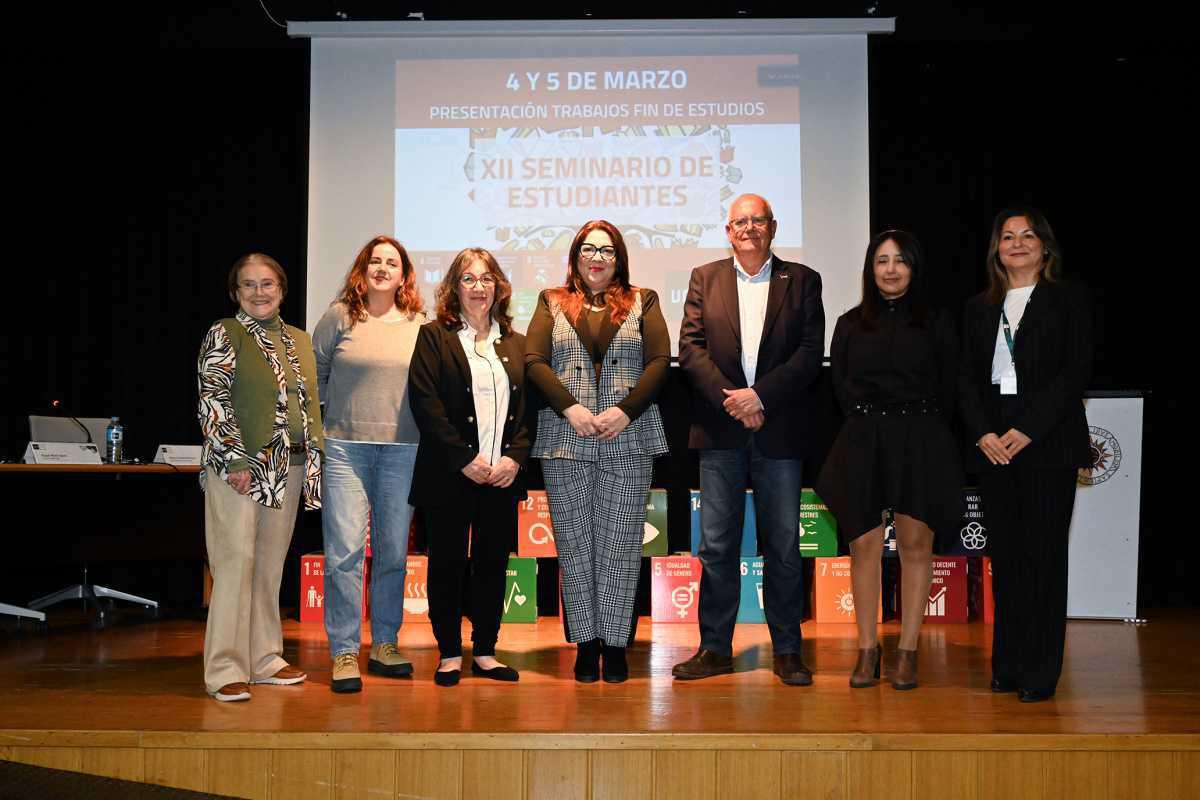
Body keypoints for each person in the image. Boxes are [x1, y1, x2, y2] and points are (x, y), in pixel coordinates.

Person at [675, 194, 824, 686]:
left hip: (778, 429)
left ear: (773, 227)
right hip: (721, 431)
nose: (750, 228)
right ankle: (715, 648)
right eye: (741, 221)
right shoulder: (705, 277)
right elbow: (691, 349)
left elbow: (808, 354)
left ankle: (787, 650)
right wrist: (733, 401)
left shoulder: (802, 280)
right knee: (717, 546)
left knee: (781, 544)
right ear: (728, 229)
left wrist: (759, 397)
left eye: (758, 220)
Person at [816, 230, 962, 690]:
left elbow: (952, 384)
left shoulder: (938, 322)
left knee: (918, 547)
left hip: (921, 438)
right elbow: (839, 386)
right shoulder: (849, 323)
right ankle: (867, 650)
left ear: (913, 267)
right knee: (864, 548)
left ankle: (908, 652)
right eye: (882, 260)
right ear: (870, 269)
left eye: (900, 260)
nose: (891, 269)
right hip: (863, 438)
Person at [525, 220, 670, 684]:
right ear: (575, 256)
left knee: (620, 547)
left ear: (619, 258)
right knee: (575, 546)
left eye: (607, 251)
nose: (597, 258)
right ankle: (586, 645)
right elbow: (533, 361)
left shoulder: (643, 299)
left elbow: (659, 361)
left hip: (628, 437)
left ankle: (616, 644)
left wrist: (626, 411)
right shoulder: (551, 300)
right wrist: (570, 408)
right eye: (588, 249)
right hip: (566, 438)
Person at [959, 206, 1092, 703]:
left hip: (1047, 447)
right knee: (1007, 561)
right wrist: (983, 433)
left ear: (1044, 246)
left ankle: (1040, 671)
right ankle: (1008, 664)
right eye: (1007, 236)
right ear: (996, 249)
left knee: (1043, 559)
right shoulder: (978, 307)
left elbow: (1076, 371)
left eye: (1027, 235)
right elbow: (964, 382)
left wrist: (1027, 430)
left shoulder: (1068, 299)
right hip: (994, 451)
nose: (1017, 243)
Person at [197, 253, 323, 702]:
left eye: (267, 284)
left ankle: (265, 658)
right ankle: (225, 667)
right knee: (235, 565)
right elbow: (213, 398)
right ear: (236, 293)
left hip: (288, 466)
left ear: (282, 289)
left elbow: (308, 407)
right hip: (241, 469)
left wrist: (314, 462)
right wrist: (234, 461)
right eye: (248, 285)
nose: (259, 293)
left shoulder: (299, 341)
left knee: (269, 567)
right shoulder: (225, 333)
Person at [408, 247, 534, 687]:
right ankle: (448, 653)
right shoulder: (434, 337)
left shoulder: (518, 344)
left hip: (501, 476)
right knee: (446, 563)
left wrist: (514, 460)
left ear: (499, 286)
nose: (478, 287)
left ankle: (484, 650)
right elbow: (426, 404)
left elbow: (528, 412)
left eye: (486, 279)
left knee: (492, 564)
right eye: (468, 279)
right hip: (450, 474)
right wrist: (464, 459)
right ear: (453, 288)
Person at [313, 235, 427, 694]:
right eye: (375, 261)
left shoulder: (421, 323)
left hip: (404, 450)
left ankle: (384, 642)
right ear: (363, 269)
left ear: (404, 275)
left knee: (394, 553)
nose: (382, 268)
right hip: (344, 449)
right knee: (343, 554)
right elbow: (315, 373)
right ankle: (343, 649)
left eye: (391, 262)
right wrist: (323, 425)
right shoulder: (339, 316)